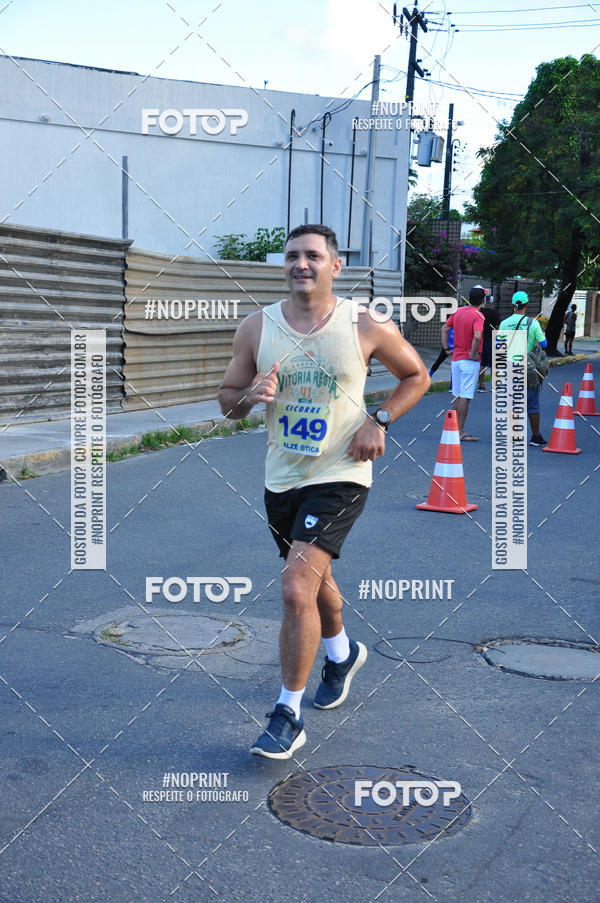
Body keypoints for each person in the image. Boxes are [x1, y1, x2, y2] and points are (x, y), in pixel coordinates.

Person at [218, 224, 430, 759]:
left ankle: (287, 713)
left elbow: (417, 376)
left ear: (335, 265)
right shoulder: (256, 327)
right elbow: (226, 401)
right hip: (281, 477)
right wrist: (249, 395)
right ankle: (341, 652)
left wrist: (378, 420)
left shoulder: (364, 323)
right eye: (292, 256)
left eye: (313, 255)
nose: (301, 264)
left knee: (295, 587)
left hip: (341, 472)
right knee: (314, 578)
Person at [499, 290, 548, 447]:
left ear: (513, 305)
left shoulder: (505, 323)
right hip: (528, 367)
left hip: (509, 365)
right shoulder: (532, 323)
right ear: (527, 304)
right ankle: (535, 436)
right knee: (532, 402)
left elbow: (499, 346)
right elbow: (544, 344)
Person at [441, 285, 485, 441]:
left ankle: (455, 429)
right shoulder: (478, 316)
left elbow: (445, 329)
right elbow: (478, 335)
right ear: (483, 301)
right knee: (465, 396)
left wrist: (447, 349)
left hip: (456, 360)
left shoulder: (458, 311)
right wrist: (473, 353)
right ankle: (460, 431)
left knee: (458, 395)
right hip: (469, 361)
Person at [478, 294, 500, 392]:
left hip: (481, 341)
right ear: (492, 302)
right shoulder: (494, 313)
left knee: (482, 364)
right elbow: (497, 327)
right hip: (491, 340)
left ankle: (481, 386)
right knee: (493, 364)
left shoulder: (479, 312)